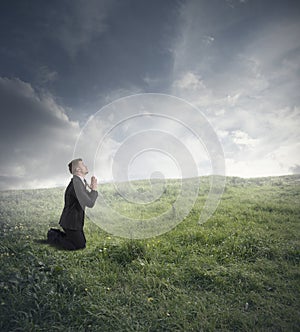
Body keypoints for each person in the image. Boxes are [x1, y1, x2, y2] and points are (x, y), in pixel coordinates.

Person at [47, 158, 98, 250]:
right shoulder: (76, 184)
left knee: (82, 242)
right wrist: (94, 189)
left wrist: (91, 191)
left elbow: (86, 199)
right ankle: (53, 235)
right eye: (83, 165)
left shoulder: (79, 182)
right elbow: (90, 203)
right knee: (79, 246)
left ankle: (62, 235)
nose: (86, 166)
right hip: (70, 223)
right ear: (78, 169)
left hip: (76, 222)